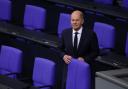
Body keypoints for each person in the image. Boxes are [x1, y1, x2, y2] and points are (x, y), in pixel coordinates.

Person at [59, 10, 99, 89]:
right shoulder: (65, 33)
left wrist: (85, 59)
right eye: (72, 20)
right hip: (69, 67)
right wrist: (63, 55)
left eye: (77, 20)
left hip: (83, 69)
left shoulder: (91, 34)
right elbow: (59, 49)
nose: (74, 22)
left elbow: (96, 51)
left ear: (82, 21)